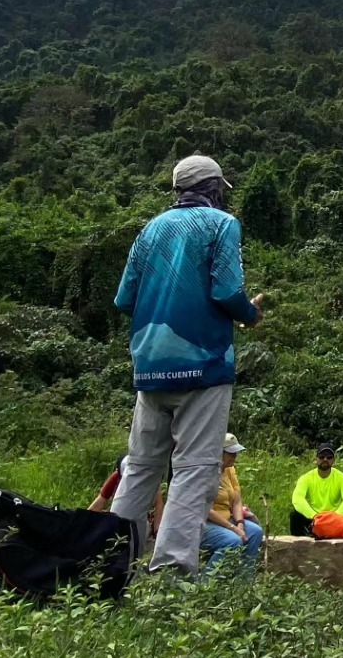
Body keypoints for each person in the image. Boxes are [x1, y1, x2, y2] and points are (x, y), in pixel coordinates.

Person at [109, 154, 265, 577]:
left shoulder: (150, 229)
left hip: (150, 366)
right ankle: (171, 572)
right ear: (213, 188)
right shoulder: (221, 225)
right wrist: (249, 314)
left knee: (140, 468)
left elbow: (124, 299)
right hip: (203, 365)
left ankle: (110, 562)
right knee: (195, 469)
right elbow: (226, 291)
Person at [202, 436, 264, 574]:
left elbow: (236, 500)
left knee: (255, 532)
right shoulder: (206, 472)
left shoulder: (230, 469)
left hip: (228, 518)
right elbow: (206, 509)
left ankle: (244, 579)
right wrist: (233, 528)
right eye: (231, 453)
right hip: (207, 522)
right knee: (233, 540)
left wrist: (240, 523)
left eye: (236, 452)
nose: (234, 456)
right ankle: (207, 582)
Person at [290, 443, 343, 537]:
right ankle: (298, 543)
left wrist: (334, 517)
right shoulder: (306, 478)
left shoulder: (342, 478)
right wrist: (314, 516)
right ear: (316, 459)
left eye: (329, 457)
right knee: (295, 515)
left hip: (335, 518)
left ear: (333, 461)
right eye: (322, 457)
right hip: (314, 518)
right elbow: (297, 499)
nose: (325, 459)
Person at [89, 457, 164, 540]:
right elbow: (100, 502)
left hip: (139, 522)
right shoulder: (116, 477)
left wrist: (157, 532)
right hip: (117, 519)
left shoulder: (150, 482)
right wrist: (84, 521)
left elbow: (158, 507)